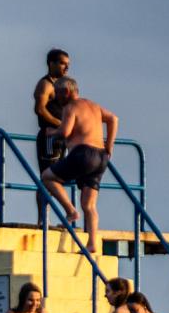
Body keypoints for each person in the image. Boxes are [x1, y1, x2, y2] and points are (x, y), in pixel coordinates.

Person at [40, 77, 118, 255]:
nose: (56, 98)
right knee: (89, 205)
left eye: (58, 94)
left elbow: (65, 131)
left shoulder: (71, 107)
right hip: (101, 156)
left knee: (47, 176)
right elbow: (113, 119)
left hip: (83, 154)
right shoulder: (93, 105)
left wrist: (52, 133)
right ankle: (92, 243)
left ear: (66, 92)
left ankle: (70, 211)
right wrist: (109, 145)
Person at [32, 48, 70, 218]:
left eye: (68, 65)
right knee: (47, 177)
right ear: (51, 63)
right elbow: (39, 109)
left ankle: (52, 216)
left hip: (62, 139)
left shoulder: (64, 85)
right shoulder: (45, 84)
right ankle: (43, 219)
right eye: (62, 63)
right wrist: (59, 124)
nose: (66, 68)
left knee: (58, 178)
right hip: (49, 137)